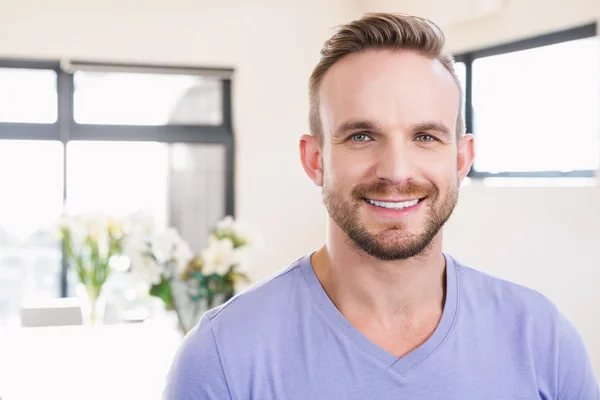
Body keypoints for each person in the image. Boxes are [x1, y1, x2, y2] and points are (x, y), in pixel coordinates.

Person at [163, 12, 599, 399]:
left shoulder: (543, 339)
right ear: (315, 160)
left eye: (425, 136)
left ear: (461, 159)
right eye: (361, 136)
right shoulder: (222, 358)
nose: (395, 171)